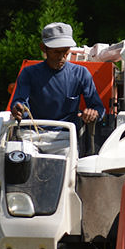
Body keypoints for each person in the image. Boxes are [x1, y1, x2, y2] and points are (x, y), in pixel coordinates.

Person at [10, 22, 105, 153]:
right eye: (56, 52)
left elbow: (98, 108)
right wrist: (19, 109)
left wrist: (93, 113)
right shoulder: (28, 73)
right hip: (30, 137)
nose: (61, 57)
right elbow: (20, 103)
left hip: (65, 138)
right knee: (21, 159)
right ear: (43, 48)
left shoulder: (81, 73)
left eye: (65, 51)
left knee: (68, 160)